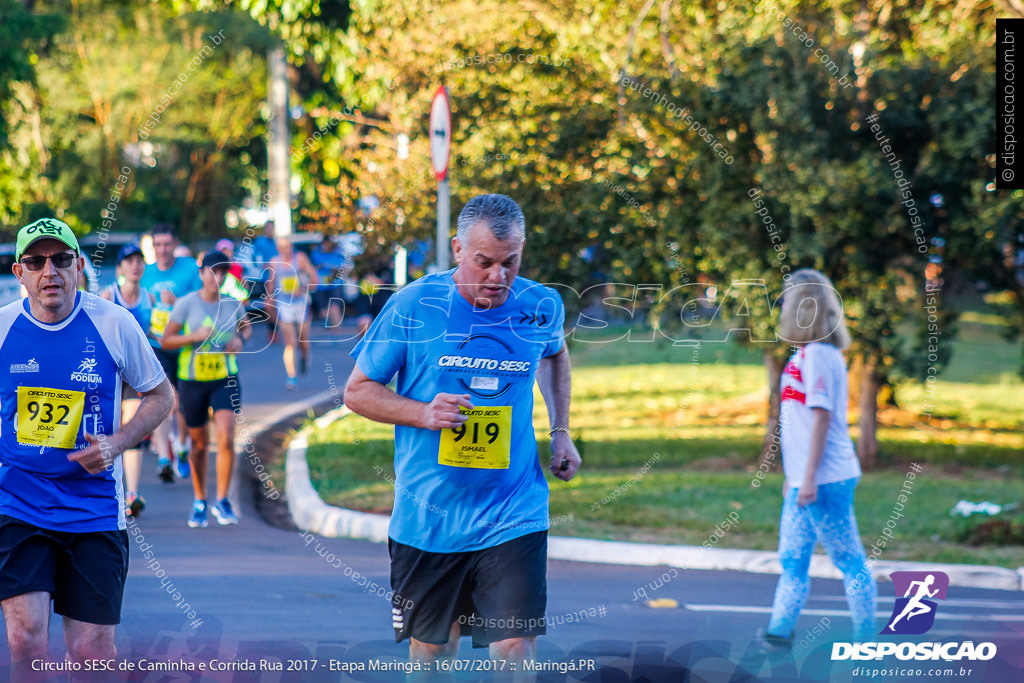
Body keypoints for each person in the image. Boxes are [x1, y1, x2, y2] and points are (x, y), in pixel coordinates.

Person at [344, 194, 581, 669]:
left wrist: (561, 430)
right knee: (434, 653)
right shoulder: (415, 305)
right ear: (456, 249)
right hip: (428, 517)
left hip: (514, 508)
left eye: (510, 262)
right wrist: (422, 413)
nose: (498, 277)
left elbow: (553, 355)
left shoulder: (541, 305)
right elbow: (358, 391)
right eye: (484, 263)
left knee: (515, 646)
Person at [0, 218, 173, 679]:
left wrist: (115, 445)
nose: (49, 272)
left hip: (93, 509)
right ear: (20, 273)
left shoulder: (114, 324)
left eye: (60, 260)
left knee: (92, 653)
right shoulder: (2, 328)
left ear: (78, 265)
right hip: (19, 504)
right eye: (36, 262)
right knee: (25, 639)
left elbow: (161, 395)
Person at [762, 268, 876, 648]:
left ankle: (867, 637)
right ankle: (779, 630)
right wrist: (794, 476)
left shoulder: (820, 357)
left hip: (826, 479)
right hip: (806, 478)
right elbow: (802, 423)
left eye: (786, 300)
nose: (781, 307)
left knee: (849, 560)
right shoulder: (808, 354)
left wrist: (808, 477)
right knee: (792, 557)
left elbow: (823, 419)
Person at [161, 251, 249, 528]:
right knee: (199, 446)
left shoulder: (233, 304)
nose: (217, 278)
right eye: (212, 272)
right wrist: (193, 337)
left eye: (222, 273)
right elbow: (166, 341)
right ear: (201, 274)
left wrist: (240, 341)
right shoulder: (187, 304)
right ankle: (200, 500)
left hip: (225, 377)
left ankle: (222, 500)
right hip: (192, 379)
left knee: (225, 437)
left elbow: (245, 329)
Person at [99, 244, 157, 517]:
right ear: (120, 267)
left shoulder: (150, 298)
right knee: (110, 431)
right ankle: (110, 489)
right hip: (109, 373)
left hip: (133, 372)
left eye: (139, 261)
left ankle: (132, 493)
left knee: (132, 426)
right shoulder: (108, 295)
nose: (135, 265)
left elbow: (157, 332)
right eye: (129, 261)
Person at [141, 223, 202, 482]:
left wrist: (176, 303)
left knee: (184, 405)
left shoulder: (189, 268)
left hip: (185, 344)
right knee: (165, 399)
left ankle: (182, 447)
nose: (163, 250)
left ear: (174, 244)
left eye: (167, 244)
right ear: (152, 247)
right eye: (158, 245)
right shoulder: (145, 273)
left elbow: (202, 302)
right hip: (157, 346)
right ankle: (165, 457)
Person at [268, 237, 318, 389]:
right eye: (283, 247)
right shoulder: (274, 262)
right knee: (290, 342)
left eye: (288, 246)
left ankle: (304, 357)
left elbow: (314, 278)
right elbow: (271, 282)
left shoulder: (300, 259)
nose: (286, 250)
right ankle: (291, 376)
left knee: (303, 341)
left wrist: (303, 289)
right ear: (278, 249)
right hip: (284, 305)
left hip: (301, 303)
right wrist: (269, 299)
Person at [310, 234, 347, 326]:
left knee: (335, 308)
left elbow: (342, 267)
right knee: (324, 312)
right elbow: (313, 266)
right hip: (321, 286)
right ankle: (329, 327)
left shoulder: (338, 252)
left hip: (335, 285)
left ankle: (337, 330)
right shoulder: (316, 252)